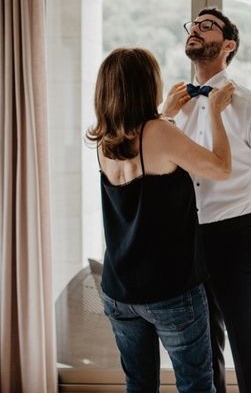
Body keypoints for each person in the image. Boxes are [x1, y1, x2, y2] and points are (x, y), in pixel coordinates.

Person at [86, 47, 235, 393]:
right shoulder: (159, 133)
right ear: (146, 85)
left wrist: (167, 114)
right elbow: (221, 168)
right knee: (196, 385)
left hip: (119, 292)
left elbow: (149, 159)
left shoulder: (104, 139)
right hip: (170, 291)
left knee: (139, 385)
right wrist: (215, 112)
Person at [162, 7, 251, 393]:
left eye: (208, 26)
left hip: (237, 238)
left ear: (228, 45)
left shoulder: (250, 105)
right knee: (202, 350)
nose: (196, 30)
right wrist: (165, 115)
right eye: (193, 25)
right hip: (187, 240)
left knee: (249, 346)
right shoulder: (172, 108)